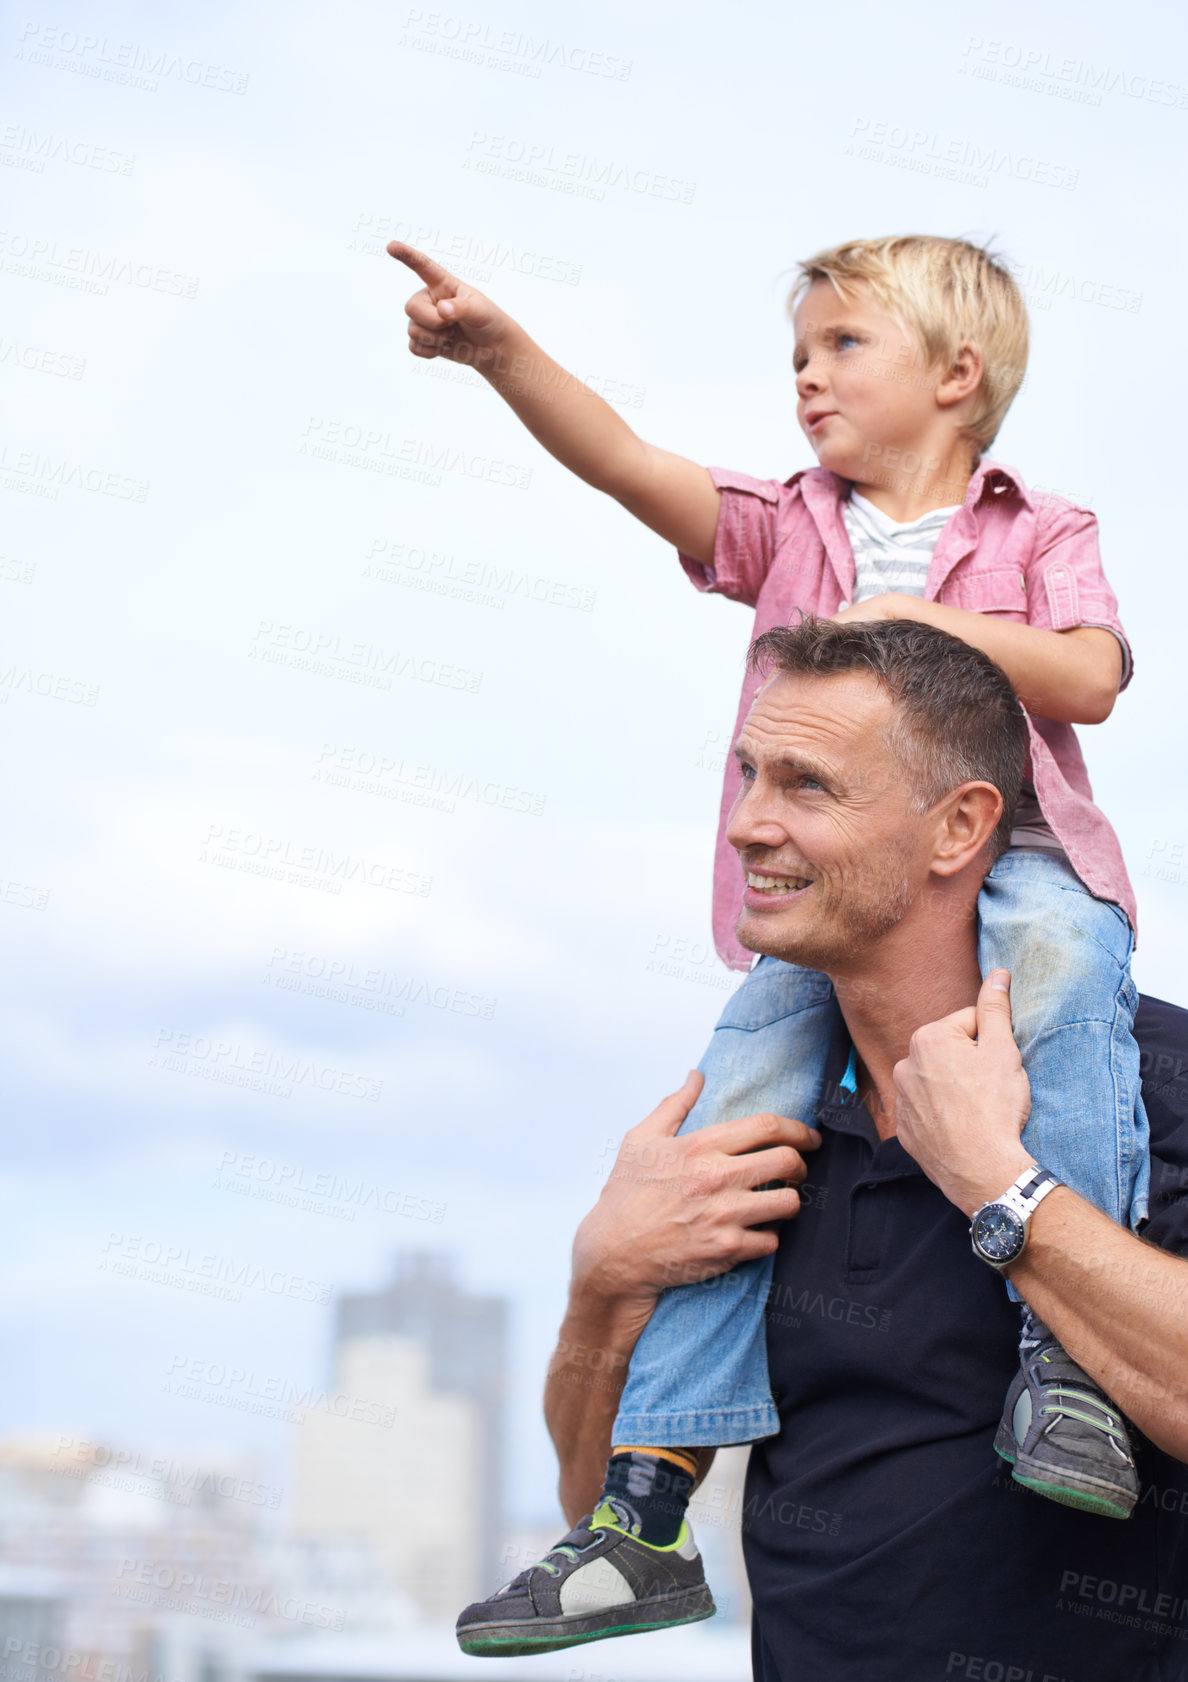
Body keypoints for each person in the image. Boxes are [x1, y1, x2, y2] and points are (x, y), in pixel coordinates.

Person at [388, 235, 1148, 1635]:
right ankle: (650, 1498)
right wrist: (500, 354)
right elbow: (624, 459)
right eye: (799, 351)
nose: (807, 376)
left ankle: (1077, 1376)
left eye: (843, 345)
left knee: (1075, 1018)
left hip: (1032, 857)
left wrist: (930, 621)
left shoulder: (1034, 528)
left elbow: (1093, 674)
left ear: (959, 374)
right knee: (734, 1102)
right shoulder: (790, 525)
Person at [498, 620, 1188, 1678]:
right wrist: (602, 1280)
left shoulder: (1156, 1081)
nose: (744, 825)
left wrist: (1003, 1184)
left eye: (806, 785)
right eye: (747, 776)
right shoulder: (734, 1140)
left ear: (959, 826)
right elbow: (590, 1495)